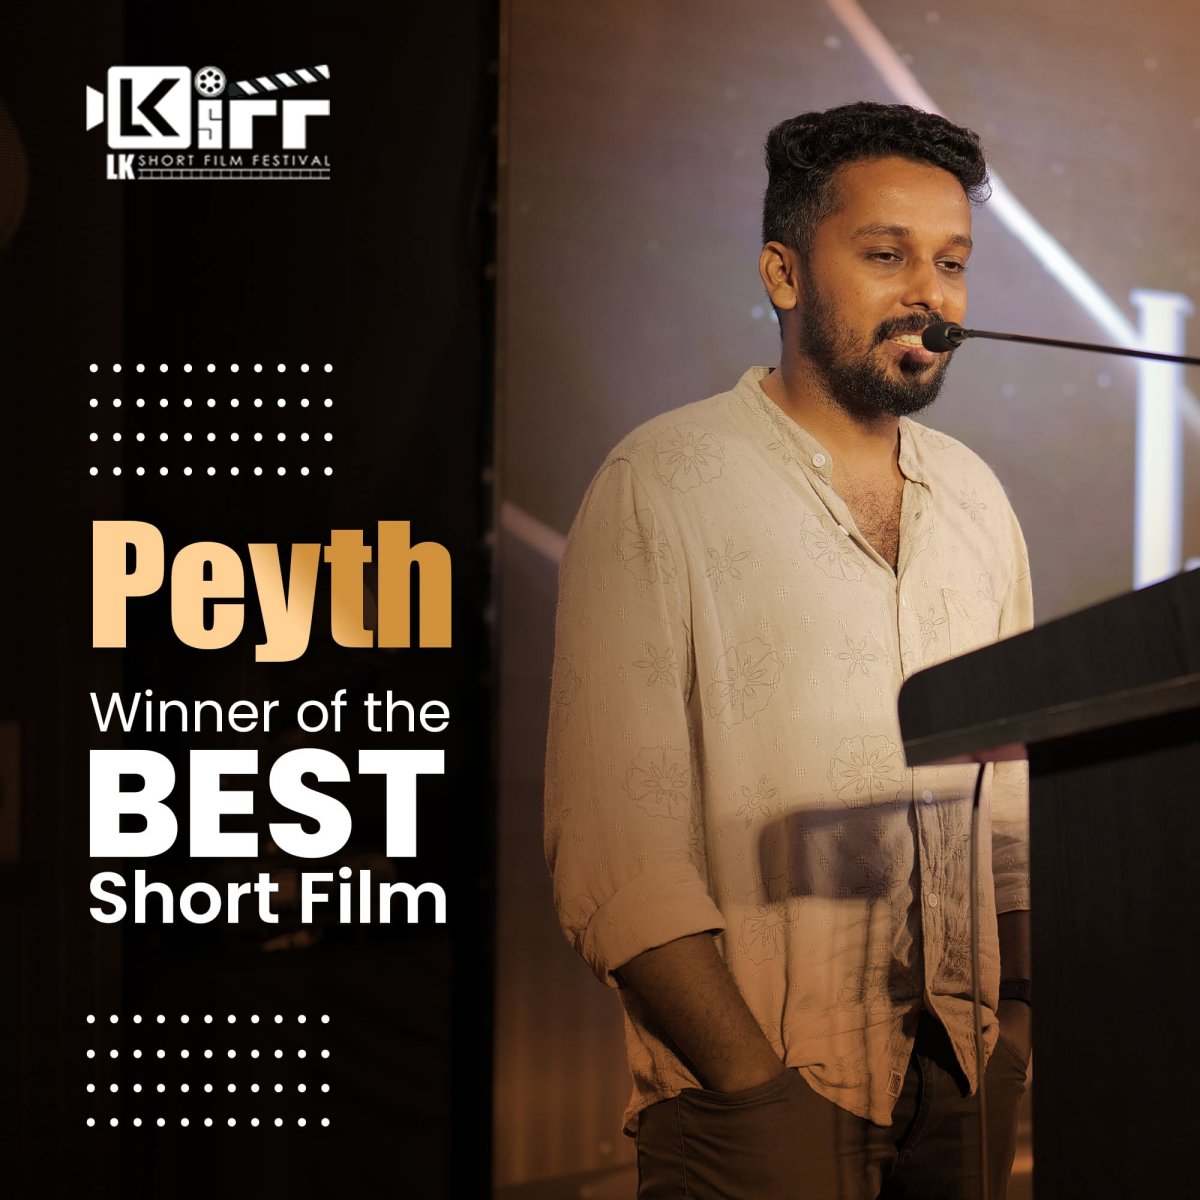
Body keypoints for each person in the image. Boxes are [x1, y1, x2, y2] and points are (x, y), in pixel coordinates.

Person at [544, 101, 1033, 1200]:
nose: (931, 293)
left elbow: (1009, 803)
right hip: (760, 1102)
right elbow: (614, 846)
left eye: (952, 261)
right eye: (886, 255)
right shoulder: (659, 483)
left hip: (962, 1081)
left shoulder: (977, 500)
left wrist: (1018, 1031)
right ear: (783, 273)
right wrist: (749, 1085)